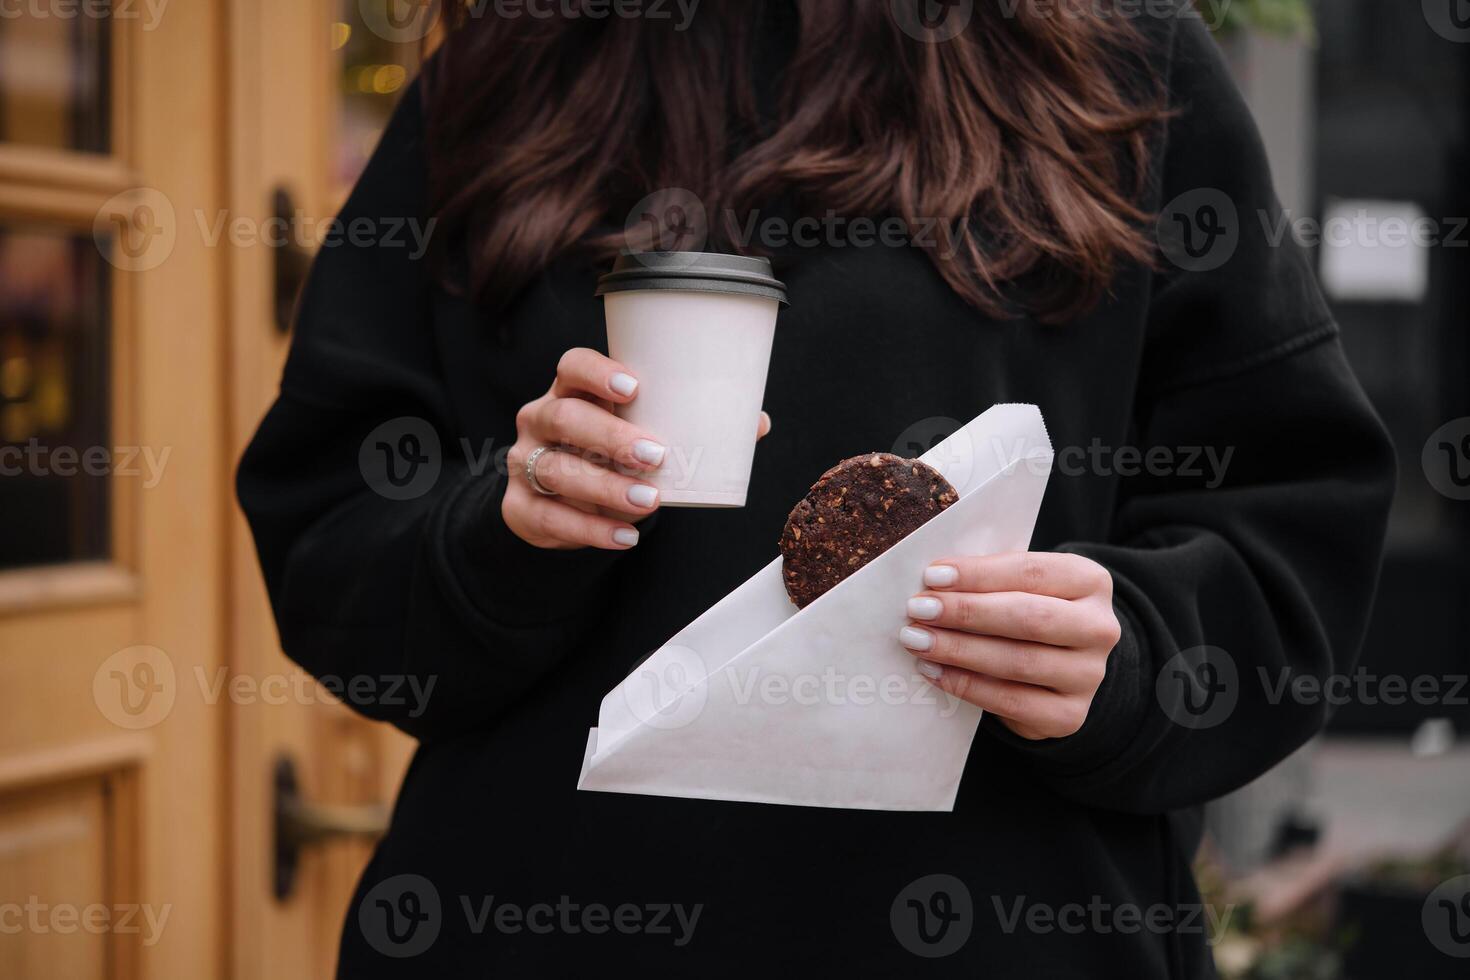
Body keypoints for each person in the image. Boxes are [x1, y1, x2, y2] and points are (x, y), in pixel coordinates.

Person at [237, 2, 1395, 975]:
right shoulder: (509, 64)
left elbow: (1289, 518)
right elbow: (329, 525)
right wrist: (497, 532)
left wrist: (1130, 651)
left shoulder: (1118, 61)